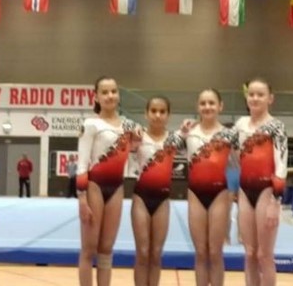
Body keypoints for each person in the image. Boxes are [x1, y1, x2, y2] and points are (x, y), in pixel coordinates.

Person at [76, 76, 141, 286]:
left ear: (118, 94)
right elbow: (82, 163)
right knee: (89, 249)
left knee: (106, 250)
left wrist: (138, 140)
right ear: (96, 97)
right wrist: (82, 199)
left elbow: (142, 148)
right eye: (104, 92)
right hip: (94, 186)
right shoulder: (90, 124)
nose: (110, 96)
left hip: (117, 188)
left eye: (113, 91)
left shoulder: (128, 125)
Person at [182, 89, 238, 286]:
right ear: (198, 107)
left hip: (219, 194)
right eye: (203, 103)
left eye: (212, 103)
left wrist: (235, 192)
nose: (207, 107)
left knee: (215, 252)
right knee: (200, 252)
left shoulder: (229, 135)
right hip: (195, 194)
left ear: (220, 106)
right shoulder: (188, 133)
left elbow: (237, 166)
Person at [234, 79, 288, 286]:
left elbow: (281, 165)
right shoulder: (240, 125)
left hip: (266, 191)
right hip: (244, 191)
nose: (255, 98)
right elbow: (225, 147)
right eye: (251, 94)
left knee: (264, 255)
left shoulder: (276, 127)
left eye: (260, 94)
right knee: (249, 253)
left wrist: (276, 202)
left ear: (270, 99)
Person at [132, 97, 182, 286]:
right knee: (143, 252)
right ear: (146, 114)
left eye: (162, 111)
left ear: (168, 115)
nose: (157, 115)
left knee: (155, 254)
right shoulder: (138, 137)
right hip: (141, 198)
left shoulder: (174, 139)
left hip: (162, 200)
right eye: (153, 111)